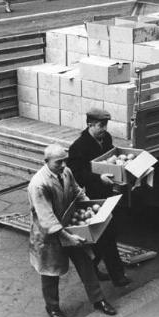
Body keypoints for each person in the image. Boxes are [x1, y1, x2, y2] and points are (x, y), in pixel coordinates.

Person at [28, 144, 117, 317]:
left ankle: (98, 300)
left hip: (70, 225)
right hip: (49, 235)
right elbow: (47, 218)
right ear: (46, 162)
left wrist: (92, 208)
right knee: (50, 272)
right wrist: (68, 237)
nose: (63, 165)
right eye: (58, 162)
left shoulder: (66, 171)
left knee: (86, 264)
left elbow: (77, 192)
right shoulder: (39, 184)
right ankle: (52, 307)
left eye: (64, 161)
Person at [67, 109, 131, 288]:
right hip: (93, 197)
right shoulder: (78, 147)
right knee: (108, 236)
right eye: (100, 125)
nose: (104, 128)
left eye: (105, 125)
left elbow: (111, 157)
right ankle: (118, 277)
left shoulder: (106, 138)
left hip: (109, 193)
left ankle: (93, 267)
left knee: (103, 236)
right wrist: (98, 178)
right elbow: (76, 174)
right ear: (89, 125)